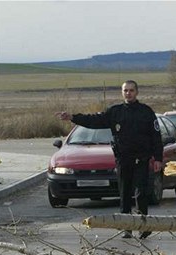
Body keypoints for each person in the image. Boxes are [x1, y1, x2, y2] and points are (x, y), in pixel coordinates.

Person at [56, 80, 163, 239]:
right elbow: (94, 120)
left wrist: (158, 159)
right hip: (123, 159)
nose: (128, 93)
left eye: (131, 90)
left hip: (141, 159)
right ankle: (126, 226)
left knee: (141, 194)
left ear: (137, 92)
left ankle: (143, 226)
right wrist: (73, 117)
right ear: (122, 92)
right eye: (125, 90)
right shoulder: (115, 112)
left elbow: (156, 137)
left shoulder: (146, 112)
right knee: (124, 193)